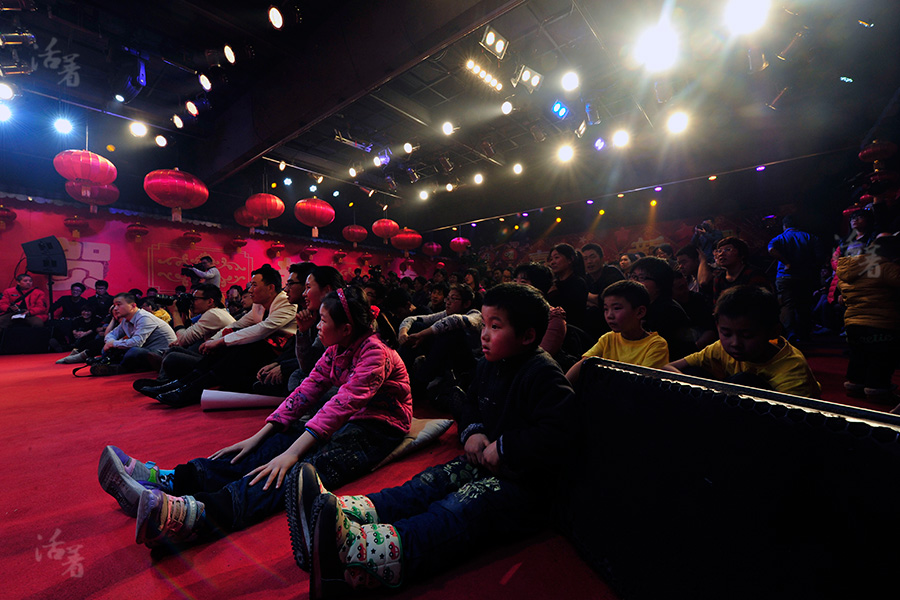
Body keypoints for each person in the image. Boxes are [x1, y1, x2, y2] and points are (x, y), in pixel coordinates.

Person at [286, 282, 577, 594]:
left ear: (528, 336)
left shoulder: (543, 373)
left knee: (458, 508)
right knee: (429, 483)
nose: (484, 334)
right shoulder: (488, 365)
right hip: (486, 461)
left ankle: (361, 559)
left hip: (524, 486)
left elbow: (559, 431)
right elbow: (470, 404)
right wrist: (475, 430)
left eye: (496, 326)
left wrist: (505, 448)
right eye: (485, 324)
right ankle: (343, 515)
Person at [97, 286, 413, 550]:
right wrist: (259, 436)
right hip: (347, 418)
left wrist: (291, 455)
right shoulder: (336, 349)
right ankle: (172, 479)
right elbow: (304, 394)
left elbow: (340, 406)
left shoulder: (375, 353)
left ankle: (203, 514)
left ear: (345, 329)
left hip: (378, 427)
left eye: (323, 320)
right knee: (267, 447)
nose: (317, 325)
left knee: (299, 470)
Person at [140, 264, 297, 407]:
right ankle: (180, 385)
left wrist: (221, 341)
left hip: (281, 356)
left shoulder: (285, 302)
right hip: (262, 351)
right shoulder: (258, 305)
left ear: (270, 288)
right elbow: (237, 325)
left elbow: (262, 329)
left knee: (244, 346)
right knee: (227, 346)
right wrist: (216, 340)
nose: (249, 290)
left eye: (254, 285)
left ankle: (187, 390)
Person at [663, 285, 821, 398]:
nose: (735, 343)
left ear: (773, 331)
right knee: (692, 373)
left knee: (743, 381)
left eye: (747, 335)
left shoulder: (792, 370)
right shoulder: (720, 348)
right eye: (726, 333)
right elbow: (668, 367)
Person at [566, 280, 669, 384]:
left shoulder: (656, 345)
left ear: (640, 312)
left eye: (616, 308)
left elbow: (642, 384)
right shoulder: (608, 338)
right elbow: (584, 364)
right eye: (606, 309)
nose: (609, 315)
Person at [836, 236, 900, 405]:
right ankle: (877, 390)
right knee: (881, 358)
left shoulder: (849, 268)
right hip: (881, 323)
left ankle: (854, 385)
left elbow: (842, 295)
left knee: (859, 356)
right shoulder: (886, 268)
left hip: (853, 323)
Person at [133, 284, 235, 389]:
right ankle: (163, 380)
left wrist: (175, 313)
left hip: (217, 364)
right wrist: (184, 313)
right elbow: (187, 335)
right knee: (174, 350)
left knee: (172, 357)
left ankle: (165, 381)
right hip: (212, 358)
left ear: (210, 301)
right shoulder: (215, 312)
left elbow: (183, 340)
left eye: (195, 299)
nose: (192, 302)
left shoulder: (213, 314)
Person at [397, 283, 483, 390]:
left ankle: (419, 383)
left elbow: (454, 320)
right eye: (447, 298)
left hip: (469, 363)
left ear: (466, 304)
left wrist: (422, 335)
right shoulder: (446, 313)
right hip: (448, 357)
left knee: (450, 333)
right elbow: (413, 319)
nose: (448, 302)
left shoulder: (475, 315)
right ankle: (398, 373)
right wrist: (403, 333)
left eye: (453, 299)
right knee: (418, 325)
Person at [629, 257, 696, 360]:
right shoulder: (642, 306)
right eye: (633, 276)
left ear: (660, 284)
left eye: (641, 278)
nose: (634, 282)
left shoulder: (669, 312)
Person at [768, 215, 821, 344]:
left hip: (785, 277)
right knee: (804, 305)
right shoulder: (810, 237)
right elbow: (819, 257)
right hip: (805, 276)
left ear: (784, 226)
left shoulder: (780, 238)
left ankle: (790, 333)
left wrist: (786, 262)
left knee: (787, 305)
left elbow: (771, 249)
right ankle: (804, 335)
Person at [98, 292, 178, 374]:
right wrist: (110, 343)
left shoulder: (144, 317)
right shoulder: (125, 320)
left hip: (160, 354)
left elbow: (136, 343)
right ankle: (116, 365)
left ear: (133, 306)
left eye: (119, 304)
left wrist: (113, 343)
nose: (115, 308)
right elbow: (111, 335)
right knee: (106, 349)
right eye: (114, 305)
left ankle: (120, 367)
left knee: (134, 351)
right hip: (144, 349)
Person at [513, 262, 567, 357]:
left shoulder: (554, 318)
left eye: (523, 282)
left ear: (539, 287)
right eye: (515, 281)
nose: (515, 286)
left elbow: (544, 355)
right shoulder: (511, 311)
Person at [700, 236, 771, 302]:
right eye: (719, 251)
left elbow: (762, 304)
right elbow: (717, 306)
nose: (721, 254)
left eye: (728, 249)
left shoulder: (754, 275)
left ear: (741, 254)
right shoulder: (718, 279)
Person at [546, 243, 588, 329]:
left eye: (556, 257)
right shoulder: (554, 283)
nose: (552, 262)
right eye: (551, 259)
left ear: (570, 259)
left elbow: (573, 313)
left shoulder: (578, 283)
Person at [583, 243, 625, 308]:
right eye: (585, 259)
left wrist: (584, 294)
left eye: (592, 257)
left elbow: (607, 301)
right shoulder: (586, 277)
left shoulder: (612, 272)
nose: (589, 261)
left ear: (602, 258)